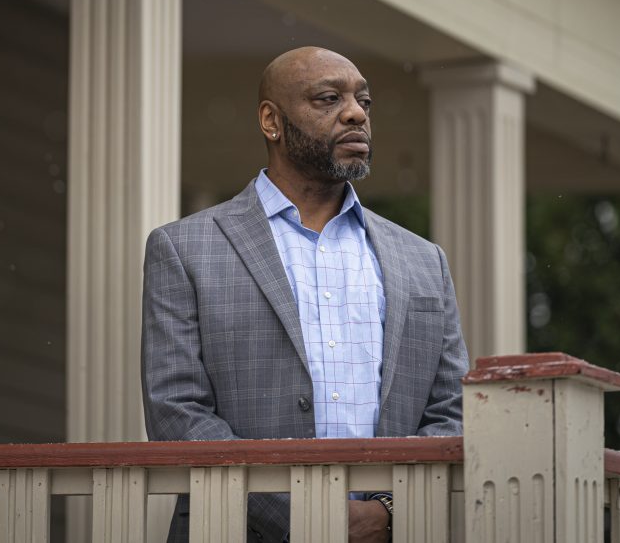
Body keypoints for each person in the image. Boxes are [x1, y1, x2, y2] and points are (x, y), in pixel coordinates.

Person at [141, 47, 469, 543]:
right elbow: (176, 412)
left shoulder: (425, 261)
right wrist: (304, 519)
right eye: (329, 98)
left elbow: (453, 411)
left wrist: (386, 511)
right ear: (271, 121)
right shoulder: (184, 248)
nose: (357, 112)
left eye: (363, 100)